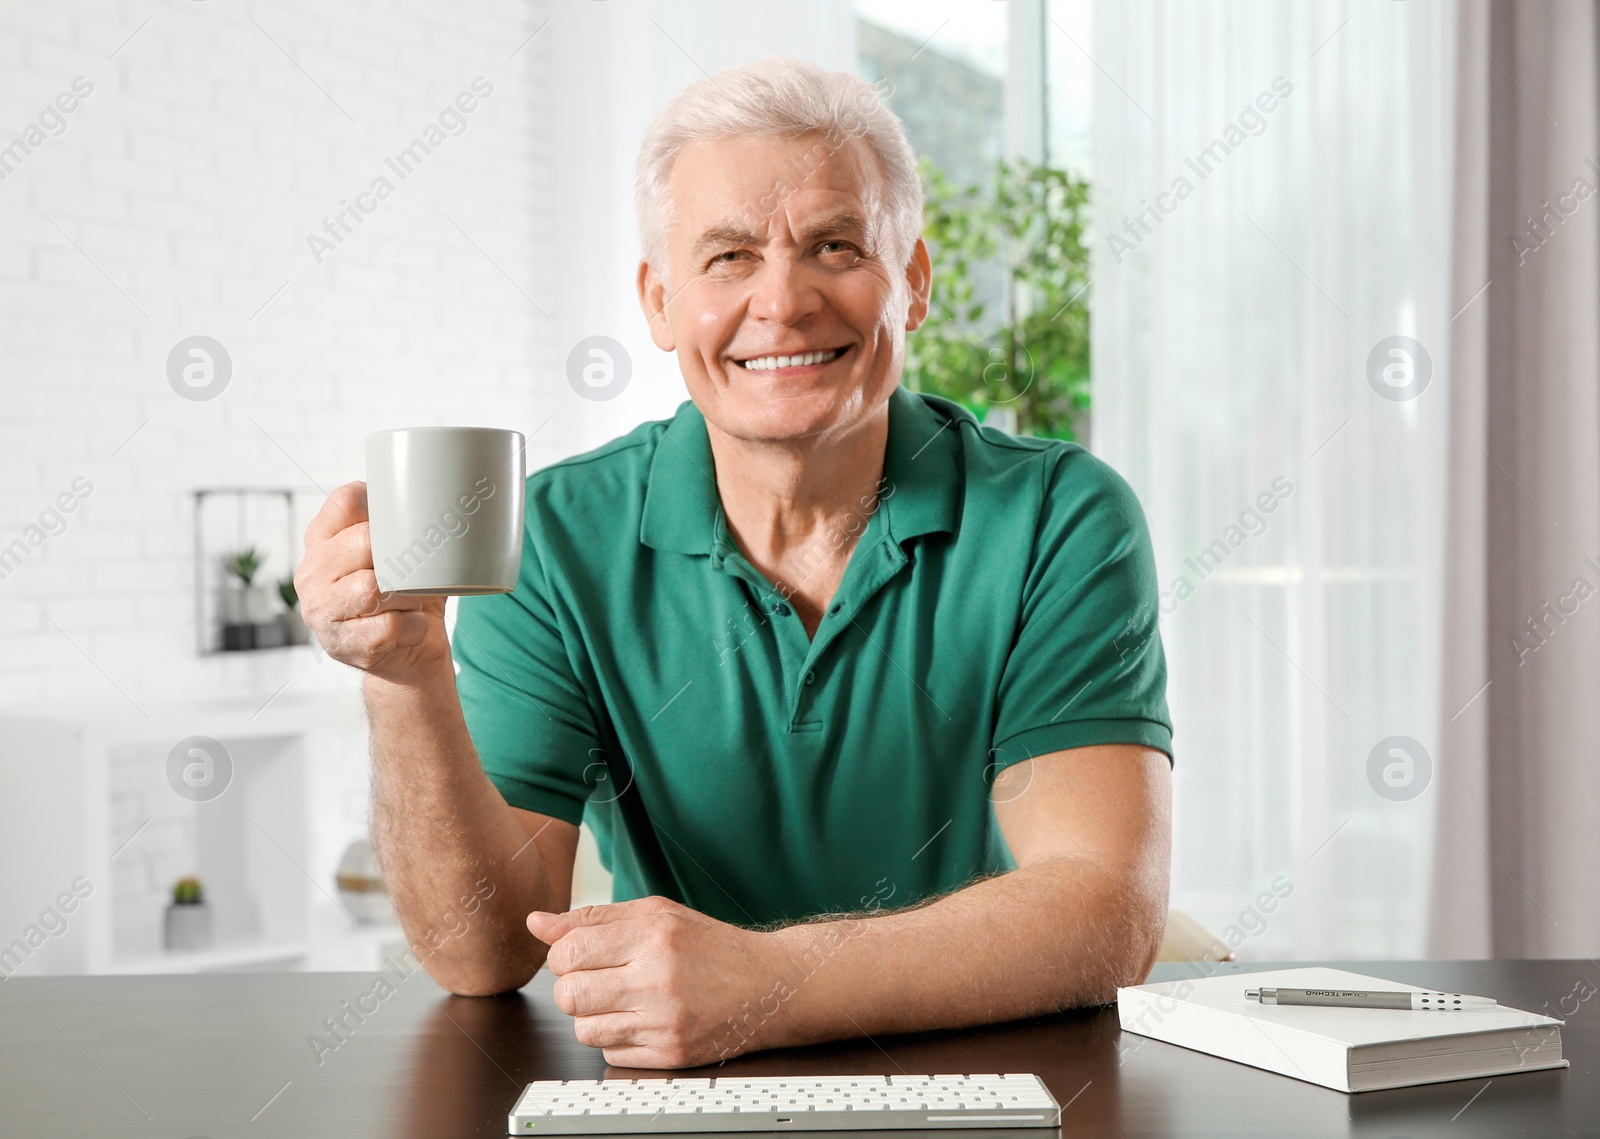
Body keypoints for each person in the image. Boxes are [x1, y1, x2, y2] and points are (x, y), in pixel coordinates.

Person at [294, 56, 1173, 1070]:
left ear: (914, 284)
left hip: (985, 1077)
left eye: (834, 245)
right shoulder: (553, 538)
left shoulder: (1059, 515)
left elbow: (1103, 910)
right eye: (728, 258)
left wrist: (767, 986)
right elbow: (478, 953)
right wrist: (406, 679)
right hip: (668, 1084)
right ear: (660, 302)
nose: (784, 300)